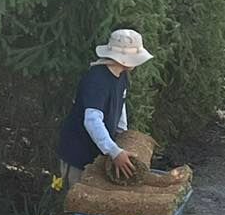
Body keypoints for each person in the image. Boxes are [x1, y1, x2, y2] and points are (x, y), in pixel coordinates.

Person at [57, 29, 153, 188]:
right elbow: (92, 120)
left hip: (98, 152)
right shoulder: (97, 80)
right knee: (79, 201)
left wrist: (122, 136)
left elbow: (120, 106)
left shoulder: (122, 76)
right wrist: (114, 152)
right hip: (78, 153)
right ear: (123, 59)